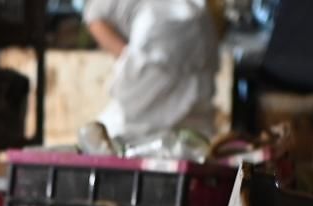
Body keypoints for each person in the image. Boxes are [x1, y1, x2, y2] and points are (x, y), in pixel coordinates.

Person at [82, 0, 218, 144]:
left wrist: (125, 58)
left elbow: (94, 21)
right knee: (191, 121)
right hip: (201, 33)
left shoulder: (98, 6)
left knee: (124, 127)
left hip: (161, 38)